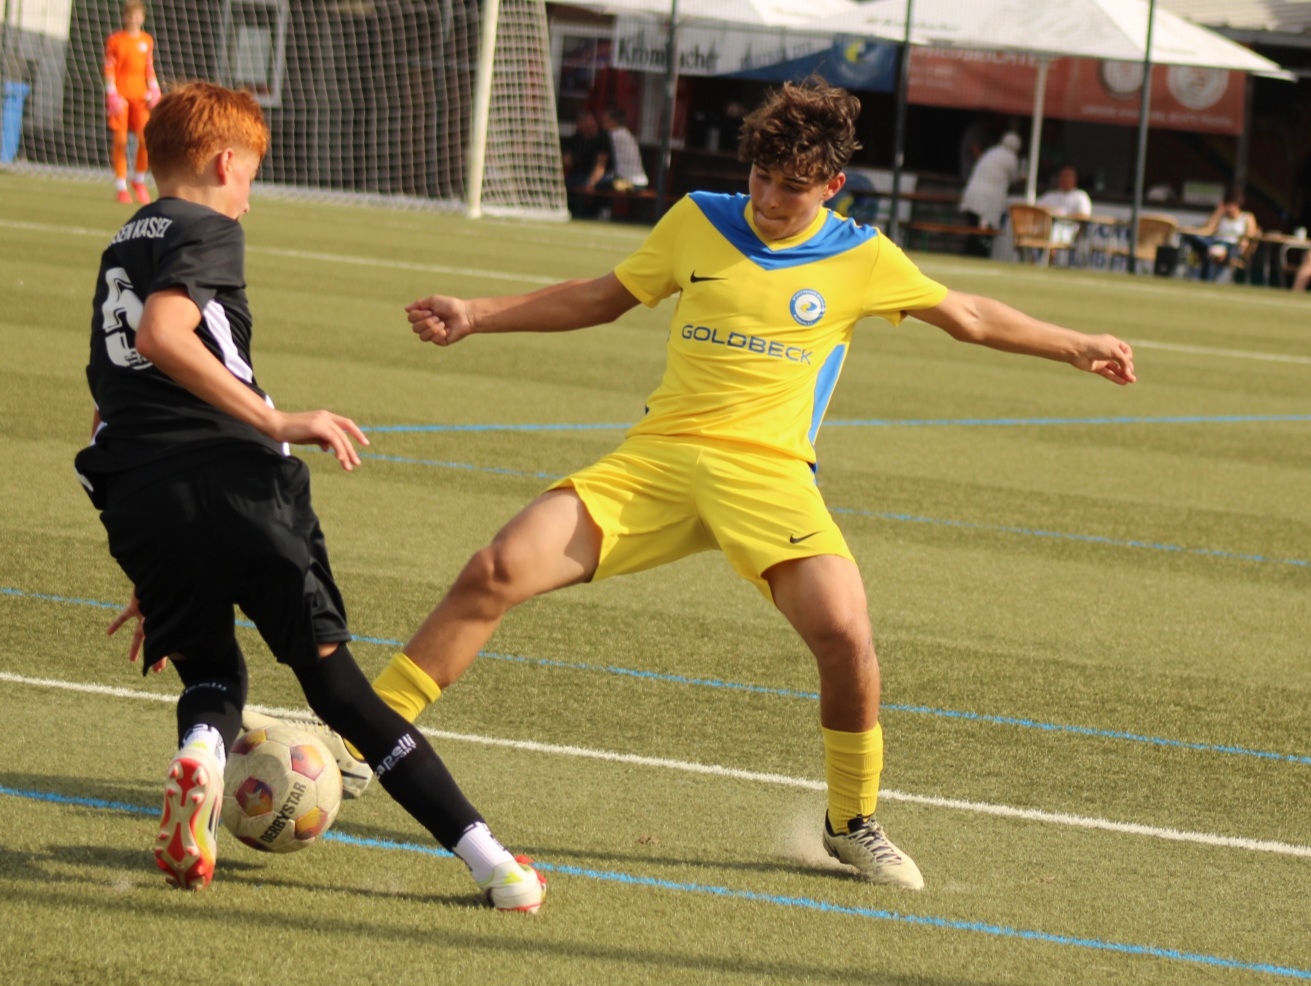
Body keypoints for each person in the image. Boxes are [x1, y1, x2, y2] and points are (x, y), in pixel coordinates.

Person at [373, 78, 1136, 890]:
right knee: (493, 570)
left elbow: (970, 316)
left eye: (791, 187)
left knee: (845, 633)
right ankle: (364, 738)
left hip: (769, 477)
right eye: (761, 178)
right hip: (659, 460)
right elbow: (602, 297)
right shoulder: (697, 219)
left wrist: (1075, 344)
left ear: (831, 185)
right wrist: (477, 312)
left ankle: (851, 820)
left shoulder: (862, 257)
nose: (769, 200)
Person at [74, 81, 545, 911]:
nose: (249, 199)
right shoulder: (207, 227)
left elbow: (113, 399)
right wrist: (276, 418)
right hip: (238, 477)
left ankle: (202, 753)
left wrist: (156, 567)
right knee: (338, 690)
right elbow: (164, 335)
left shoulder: (121, 247)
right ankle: (497, 869)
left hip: (138, 492)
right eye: (251, 178)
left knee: (212, 671)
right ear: (226, 163)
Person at [104, 1, 162, 204]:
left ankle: (139, 180)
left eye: (137, 16)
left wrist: (154, 88)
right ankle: (121, 186)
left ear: (142, 18)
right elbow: (110, 68)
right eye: (130, 15)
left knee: (145, 139)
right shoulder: (115, 40)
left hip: (141, 97)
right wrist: (112, 93)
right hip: (121, 98)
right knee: (120, 141)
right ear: (125, 17)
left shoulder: (147, 41)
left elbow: (149, 68)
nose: (134, 19)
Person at [957, 132, 1022, 257]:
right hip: (987, 200)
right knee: (981, 233)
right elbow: (1015, 178)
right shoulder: (1011, 158)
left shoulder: (991, 152)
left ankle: (970, 254)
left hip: (972, 195)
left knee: (974, 230)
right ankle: (975, 255)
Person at [1181, 195, 1259, 282]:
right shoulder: (1222, 216)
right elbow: (1207, 229)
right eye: (1227, 204)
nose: (1229, 208)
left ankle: (1208, 277)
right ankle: (1209, 255)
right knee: (1192, 237)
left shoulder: (1246, 217)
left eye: (1231, 205)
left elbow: (1251, 235)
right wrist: (1218, 212)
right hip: (1214, 242)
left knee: (1213, 254)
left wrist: (1244, 243)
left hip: (1232, 245)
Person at [563, 109, 611, 218]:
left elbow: (601, 165)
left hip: (601, 176)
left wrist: (592, 181)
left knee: (594, 184)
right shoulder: (576, 138)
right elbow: (567, 161)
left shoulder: (602, 138)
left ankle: (601, 212)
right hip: (578, 175)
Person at [1036, 165, 1092, 253]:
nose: (1065, 179)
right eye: (1063, 176)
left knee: (1054, 231)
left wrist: (1063, 215)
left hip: (1069, 229)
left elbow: (1084, 216)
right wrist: (1049, 211)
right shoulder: (1051, 195)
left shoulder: (1080, 196)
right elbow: (1036, 208)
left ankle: (1050, 258)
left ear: (1075, 180)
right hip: (1045, 227)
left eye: (1069, 176)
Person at [600, 106, 649, 190]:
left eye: (605, 121)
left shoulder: (614, 135)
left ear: (614, 122)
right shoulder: (626, 134)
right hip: (640, 181)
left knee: (597, 185)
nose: (603, 125)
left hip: (627, 180)